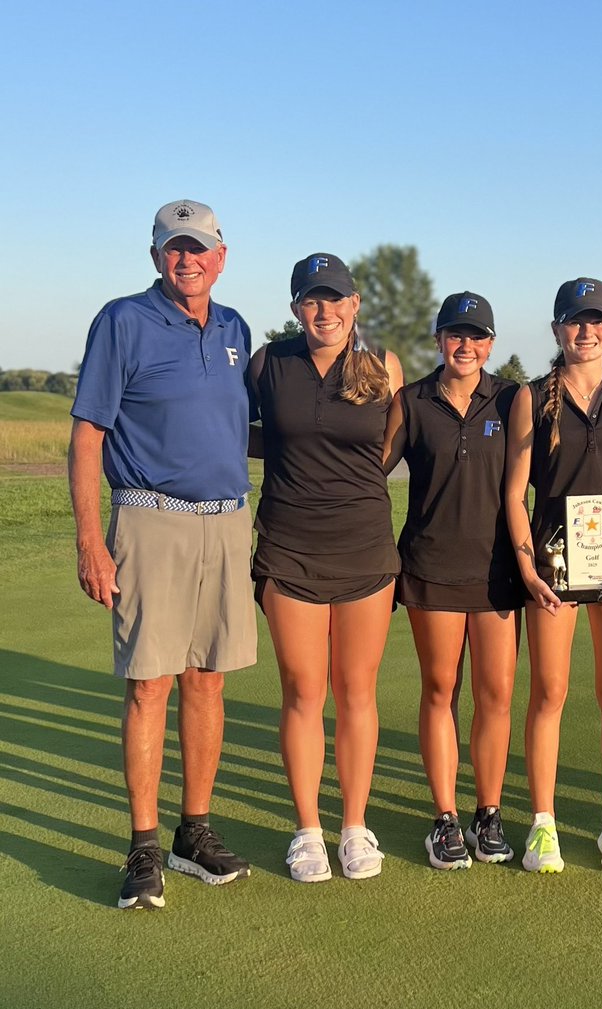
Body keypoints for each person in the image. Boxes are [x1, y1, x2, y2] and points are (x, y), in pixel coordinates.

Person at [69, 199, 256, 910]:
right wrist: (91, 539)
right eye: (175, 248)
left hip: (226, 521)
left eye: (199, 248)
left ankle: (193, 833)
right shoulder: (123, 321)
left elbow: (245, 427)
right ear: (156, 256)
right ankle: (143, 843)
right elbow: (88, 434)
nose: (188, 259)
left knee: (206, 680)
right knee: (151, 684)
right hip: (150, 519)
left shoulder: (235, 327)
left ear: (221, 255)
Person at [249, 253, 402, 883]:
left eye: (336, 299)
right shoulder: (268, 364)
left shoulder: (382, 366)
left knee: (357, 692)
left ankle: (354, 826)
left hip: (365, 547)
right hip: (288, 547)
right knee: (304, 691)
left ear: (355, 303)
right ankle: (308, 830)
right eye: (312, 300)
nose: (325, 311)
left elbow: (390, 445)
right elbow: (240, 431)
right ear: (294, 308)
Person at [504, 277, 602, 874]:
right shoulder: (532, 396)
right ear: (556, 330)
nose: (585, 331)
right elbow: (515, 494)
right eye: (574, 320)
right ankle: (543, 825)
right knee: (549, 693)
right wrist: (526, 568)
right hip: (552, 569)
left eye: (596, 320)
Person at [384, 291, 523, 871]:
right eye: (455, 334)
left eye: (477, 336)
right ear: (439, 340)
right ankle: (445, 818)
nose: (466, 345)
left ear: (491, 344)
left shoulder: (514, 400)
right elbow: (368, 469)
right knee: (441, 691)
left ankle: (487, 813)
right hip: (431, 568)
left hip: (498, 573)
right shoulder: (411, 400)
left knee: (496, 696)